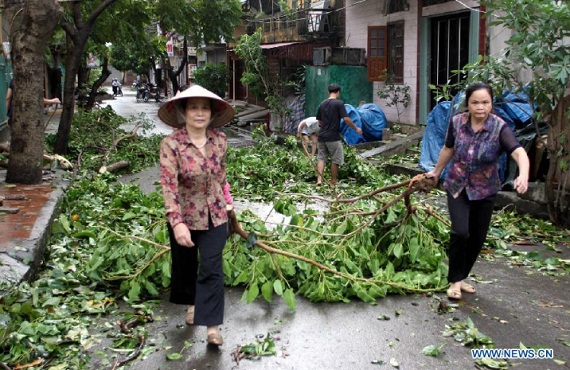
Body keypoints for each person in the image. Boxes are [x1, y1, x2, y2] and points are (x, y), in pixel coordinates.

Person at [415, 82, 529, 301]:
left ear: (491, 104)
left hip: (485, 190)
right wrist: (436, 172)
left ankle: (461, 276)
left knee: (477, 238)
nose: (480, 107)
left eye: (485, 102)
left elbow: (519, 152)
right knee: (460, 232)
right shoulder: (457, 122)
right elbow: (448, 148)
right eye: (475, 102)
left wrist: (523, 175)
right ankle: (454, 282)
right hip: (457, 185)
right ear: (467, 104)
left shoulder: (499, 127)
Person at [158, 84, 235, 346]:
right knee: (187, 266)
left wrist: (229, 205)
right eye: (194, 107)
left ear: (212, 114)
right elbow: (168, 186)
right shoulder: (171, 144)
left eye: (205, 108)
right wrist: (176, 222)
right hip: (185, 217)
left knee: (212, 267)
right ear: (183, 111)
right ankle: (192, 303)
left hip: (215, 215)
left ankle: (212, 327)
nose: (200, 113)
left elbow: (222, 177)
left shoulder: (220, 141)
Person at [315, 84, 363, 185]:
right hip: (333, 137)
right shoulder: (339, 103)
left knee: (321, 158)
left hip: (322, 136)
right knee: (336, 159)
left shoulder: (322, 104)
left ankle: (319, 180)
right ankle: (333, 181)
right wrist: (356, 128)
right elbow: (346, 119)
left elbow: (319, 122)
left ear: (329, 92)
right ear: (338, 92)